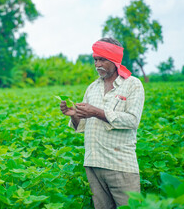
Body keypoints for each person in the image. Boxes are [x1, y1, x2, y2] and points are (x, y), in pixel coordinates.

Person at [60, 38, 145, 209]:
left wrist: (97, 112)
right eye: (95, 59)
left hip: (120, 165)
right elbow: (82, 126)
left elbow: (133, 120)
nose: (97, 64)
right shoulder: (92, 88)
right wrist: (74, 115)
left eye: (102, 59)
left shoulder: (132, 85)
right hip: (93, 163)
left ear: (115, 61)